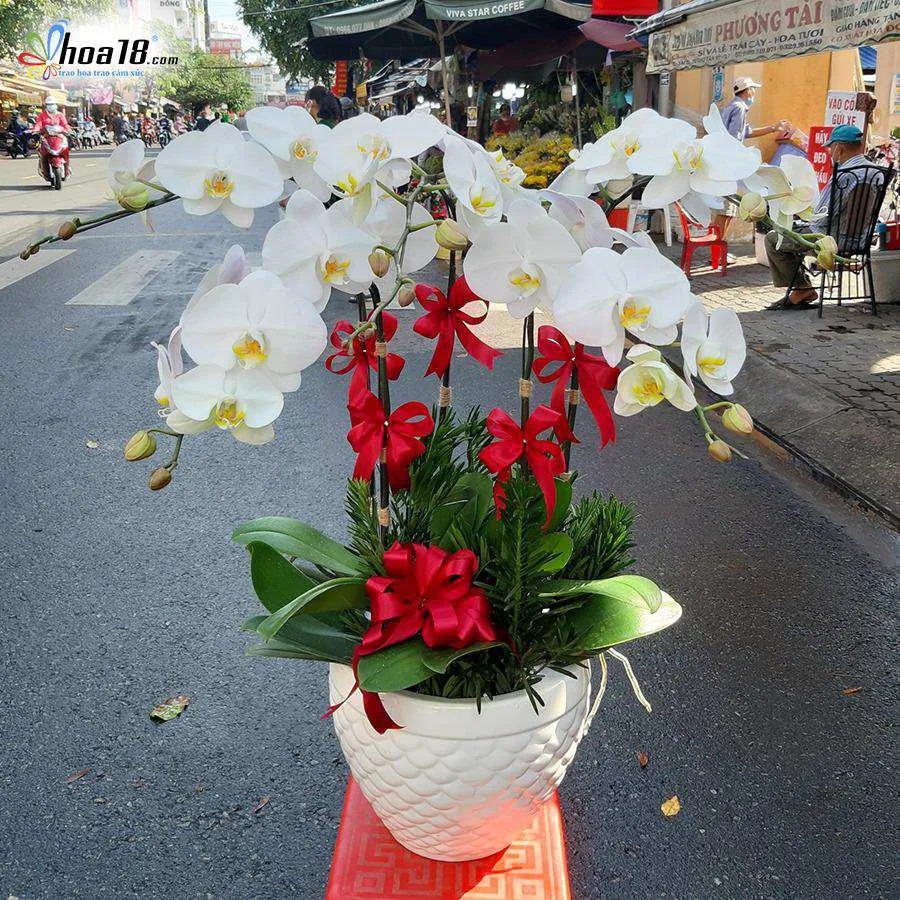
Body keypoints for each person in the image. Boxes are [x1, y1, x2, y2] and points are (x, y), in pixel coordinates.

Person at [764, 124, 872, 310]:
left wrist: (799, 214)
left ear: (839, 148)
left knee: (774, 238)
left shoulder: (843, 175)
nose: (830, 153)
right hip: (862, 240)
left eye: (831, 149)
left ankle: (802, 288)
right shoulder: (877, 172)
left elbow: (821, 217)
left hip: (830, 241)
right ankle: (805, 287)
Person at [715, 77, 789, 256]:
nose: (754, 93)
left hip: (726, 163)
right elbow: (734, 138)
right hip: (730, 165)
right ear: (747, 91)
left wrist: (773, 128)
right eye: (753, 90)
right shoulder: (739, 108)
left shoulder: (733, 107)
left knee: (727, 210)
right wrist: (743, 159)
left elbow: (746, 132)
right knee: (726, 210)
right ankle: (717, 252)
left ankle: (718, 250)